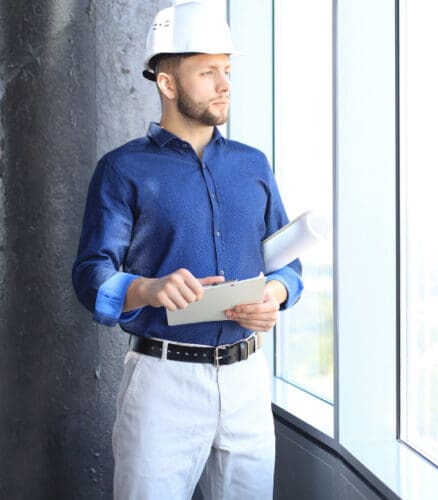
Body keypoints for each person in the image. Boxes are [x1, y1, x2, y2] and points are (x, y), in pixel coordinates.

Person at [71, 1, 302, 498]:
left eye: (227, 70)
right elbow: (90, 274)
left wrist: (277, 295)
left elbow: (285, 262)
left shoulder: (253, 164)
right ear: (168, 83)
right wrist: (149, 288)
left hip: (247, 384)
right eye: (207, 72)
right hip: (163, 383)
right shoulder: (121, 169)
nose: (224, 84)